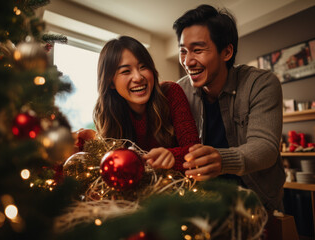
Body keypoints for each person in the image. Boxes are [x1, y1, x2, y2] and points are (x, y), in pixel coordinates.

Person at [173, 4, 285, 211]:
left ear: (226, 52)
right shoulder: (180, 90)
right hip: (203, 203)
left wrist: (222, 159)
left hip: (258, 201)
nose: (187, 61)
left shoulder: (261, 83)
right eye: (183, 51)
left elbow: (265, 147)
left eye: (197, 50)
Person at [76, 36, 200, 172]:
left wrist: (172, 157)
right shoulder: (109, 113)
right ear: (111, 82)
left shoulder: (171, 93)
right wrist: (84, 143)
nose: (138, 77)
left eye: (143, 67)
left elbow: (195, 153)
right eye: (126, 71)